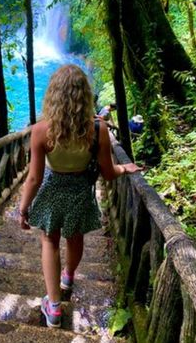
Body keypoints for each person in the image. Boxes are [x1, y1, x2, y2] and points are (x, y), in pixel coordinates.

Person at [18, 65, 143, 328]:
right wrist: (124, 167)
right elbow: (108, 173)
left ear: (53, 94)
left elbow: (34, 178)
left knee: (50, 240)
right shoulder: (98, 130)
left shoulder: (41, 131)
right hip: (80, 191)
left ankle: (53, 307)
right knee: (74, 237)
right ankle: (68, 277)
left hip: (52, 189)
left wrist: (23, 207)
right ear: (85, 95)